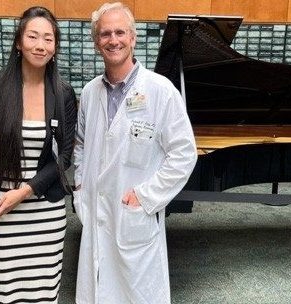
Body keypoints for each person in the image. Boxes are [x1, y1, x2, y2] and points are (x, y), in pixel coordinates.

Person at [72, 2, 198, 303]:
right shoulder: (90, 93)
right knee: (97, 288)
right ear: (96, 42)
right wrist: (80, 188)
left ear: (133, 37)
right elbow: (79, 146)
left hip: (134, 214)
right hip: (95, 209)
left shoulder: (160, 90)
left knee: (137, 292)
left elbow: (184, 153)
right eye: (104, 34)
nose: (112, 40)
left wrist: (144, 196)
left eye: (119, 32)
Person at [0, 6, 77, 303]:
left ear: (55, 46)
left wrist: (23, 192)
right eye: (33, 36)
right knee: (6, 293)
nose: (40, 45)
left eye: (48, 38)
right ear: (19, 42)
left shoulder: (63, 93)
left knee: (45, 293)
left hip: (45, 210)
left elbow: (65, 158)